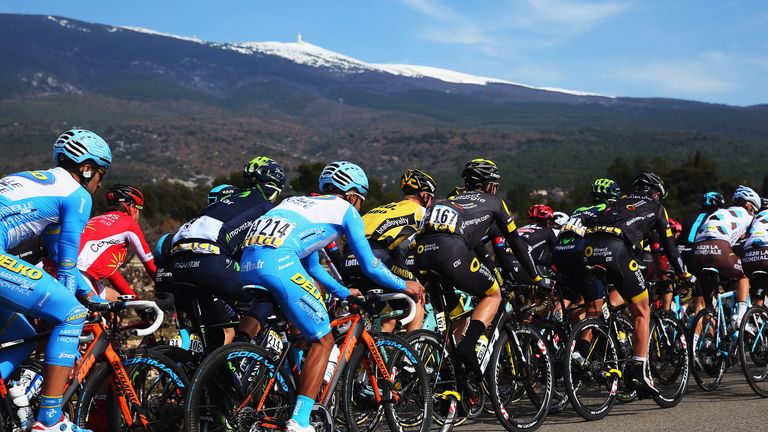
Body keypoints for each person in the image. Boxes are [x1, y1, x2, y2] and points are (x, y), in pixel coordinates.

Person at [240, 161, 424, 432]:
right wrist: (404, 285)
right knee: (323, 339)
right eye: (360, 200)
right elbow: (369, 265)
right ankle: (300, 421)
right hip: (278, 263)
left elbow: (313, 265)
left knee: (299, 332)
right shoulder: (346, 210)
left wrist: (342, 291)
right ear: (352, 195)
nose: (358, 206)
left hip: (247, 265)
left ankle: (278, 389)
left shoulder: (296, 202)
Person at [0, 129, 111, 432]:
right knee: (71, 315)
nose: (99, 183)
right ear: (87, 169)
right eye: (100, 174)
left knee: (21, 333)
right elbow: (66, 265)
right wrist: (70, 314)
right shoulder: (77, 195)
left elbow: (63, 261)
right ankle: (50, 420)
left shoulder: (41, 183)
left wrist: (93, 297)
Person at [415, 158, 551, 377]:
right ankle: (468, 349)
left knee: (457, 317)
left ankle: (452, 379)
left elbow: (475, 244)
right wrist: (536, 278)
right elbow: (515, 242)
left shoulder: (449, 200)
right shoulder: (494, 201)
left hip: (421, 255)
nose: (496, 188)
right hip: (450, 251)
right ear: (489, 184)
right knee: (493, 294)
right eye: (495, 183)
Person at [582, 171, 694, 396]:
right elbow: (670, 248)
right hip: (616, 248)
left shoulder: (619, 201)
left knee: (603, 307)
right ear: (655, 193)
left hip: (589, 248)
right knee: (642, 310)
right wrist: (684, 274)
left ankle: (584, 350)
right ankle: (639, 371)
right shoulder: (656, 207)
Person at [171, 156, 285, 347]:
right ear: (273, 189)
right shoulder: (267, 207)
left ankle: (211, 371)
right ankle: (243, 347)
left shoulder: (224, 202)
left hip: (176, 264)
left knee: (215, 338)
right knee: (271, 295)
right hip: (208, 261)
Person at [342, 168, 436, 332]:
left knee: (389, 318)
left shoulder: (382, 209)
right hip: (375, 258)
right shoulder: (421, 212)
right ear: (425, 196)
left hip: (348, 260)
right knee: (417, 295)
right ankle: (411, 353)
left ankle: (377, 355)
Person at [690, 185, 760, 324]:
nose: (754, 212)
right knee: (743, 273)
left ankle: (707, 334)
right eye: (754, 209)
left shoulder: (722, 212)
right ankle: (741, 316)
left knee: (709, 305)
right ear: (748, 205)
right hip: (719, 249)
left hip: (696, 253)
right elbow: (753, 241)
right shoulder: (748, 216)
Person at [552, 178, 621, 315]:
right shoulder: (608, 209)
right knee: (594, 309)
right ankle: (587, 332)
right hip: (581, 253)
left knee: (572, 296)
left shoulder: (579, 210)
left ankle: (558, 324)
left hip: (560, 253)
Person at [77, 184, 156, 301]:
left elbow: (113, 275)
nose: (138, 215)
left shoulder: (95, 220)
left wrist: (137, 302)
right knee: (97, 318)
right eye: (139, 210)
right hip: (78, 274)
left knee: (116, 299)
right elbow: (151, 267)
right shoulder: (129, 223)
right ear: (132, 208)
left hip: (59, 268)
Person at [495, 204, 558, 284]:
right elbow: (556, 253)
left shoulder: (520, 229)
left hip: (499, 261)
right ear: (548, 220)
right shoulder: (548, 231)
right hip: (522, 264)